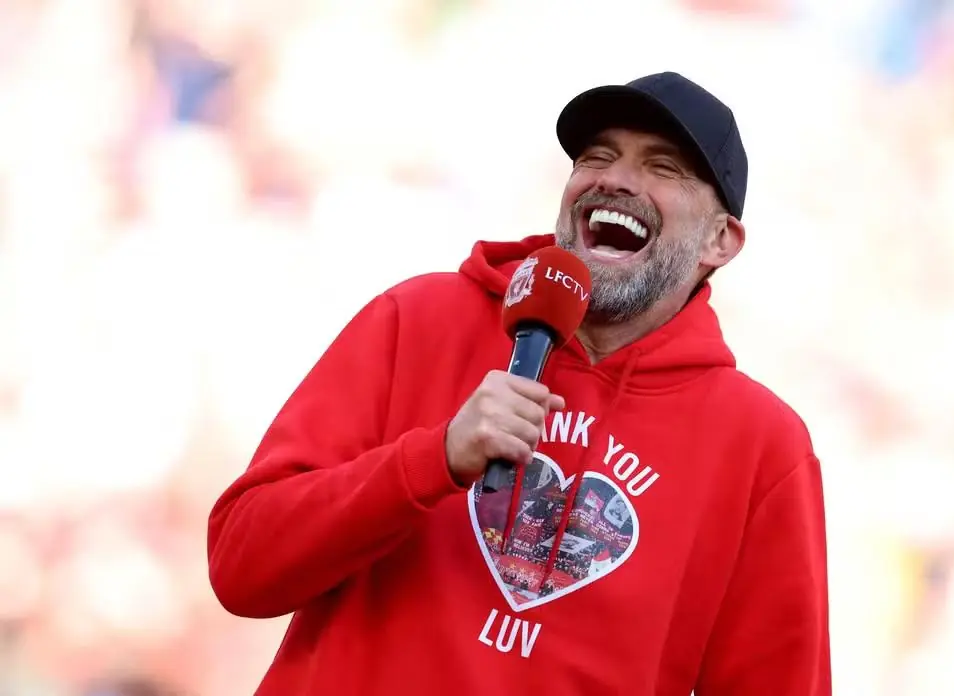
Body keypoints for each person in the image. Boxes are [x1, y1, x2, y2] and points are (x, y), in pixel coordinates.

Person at [206, 72, 831, 695]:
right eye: (596, 157)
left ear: (721, 240)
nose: (615, 180)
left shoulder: (759, 446)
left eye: (663, 167)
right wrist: (432, 460)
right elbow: (242, 567)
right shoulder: (419, 319)